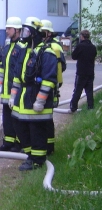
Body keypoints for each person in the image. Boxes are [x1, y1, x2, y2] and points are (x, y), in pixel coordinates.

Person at [9, 17, 57, 171]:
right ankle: (30, 155)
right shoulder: (24, 50)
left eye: (27, 31)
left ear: (35, 33)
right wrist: (12, 96)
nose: (24, 34)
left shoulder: (47, 53)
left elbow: (49, 80)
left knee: (36, 129)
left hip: (36, 96)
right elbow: (17, 76)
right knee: (19, 124)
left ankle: (37, 160)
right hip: (22, 96)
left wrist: (40, 101)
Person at [0, 17, 26, 152]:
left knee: (17, 118)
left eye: (9, 28)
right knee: (7, 117)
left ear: (17, 30)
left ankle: (19, 144)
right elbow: (3, 67)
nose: (7, 31)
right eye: (6, 28)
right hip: (6, 90)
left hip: (17, 90)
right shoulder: (7, 46)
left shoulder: (22, 47)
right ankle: (8, 142)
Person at [40, 20, 67, 155]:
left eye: (43, 32)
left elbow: (62, 66)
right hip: (46, 85)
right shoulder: (42, 45)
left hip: (51, 86)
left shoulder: (55, 47)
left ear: (49, 33)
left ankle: (49, 146)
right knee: (43, 117)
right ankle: (45, 145)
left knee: (47, 117)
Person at [70, 29, 97, 112]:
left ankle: (73, 107)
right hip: (90, 72)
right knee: (89, 91)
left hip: (81, 72)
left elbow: (73, 56)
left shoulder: (80, 46)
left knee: (78, 90)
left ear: (82, 36)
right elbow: (94, 55)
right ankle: (90, 107)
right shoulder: (93, 47)